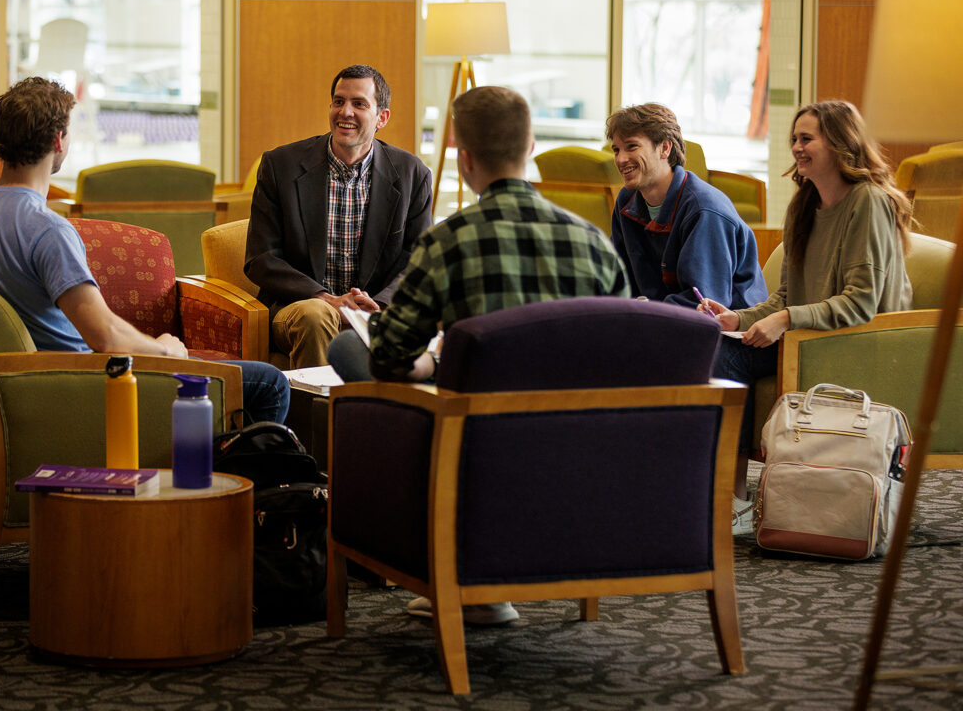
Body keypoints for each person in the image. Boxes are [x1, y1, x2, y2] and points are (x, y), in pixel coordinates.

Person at [328, 86, 629, 625]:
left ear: (463, 159)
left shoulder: (449, 241)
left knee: (349, 346)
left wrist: (436, 364)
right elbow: (619, 351)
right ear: (531, 144)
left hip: (473, 449)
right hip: (582, 449)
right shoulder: (592, 242)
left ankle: (466, 571)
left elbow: (391, 357)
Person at [0, 77, 289, 424]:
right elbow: (105, 337)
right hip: (81, 384)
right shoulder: (47, 230)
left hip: (17, 384)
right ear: (58, 140)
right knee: (271, 382)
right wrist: (166, 350)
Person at [699, 100, 913, 524]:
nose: (796, 147)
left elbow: (861, 303)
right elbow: (785, 296)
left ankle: (732, 496)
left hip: (860, 338)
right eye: (794, 139)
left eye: (806, 138)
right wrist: (736, 319)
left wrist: (787, 320)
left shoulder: (868, 202)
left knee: (727, 358)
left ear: (838, 143)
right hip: (810, 337)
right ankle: (729, 494)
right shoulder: (804, 205)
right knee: (713, 347)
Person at [244, 64, 434, 368]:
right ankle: (319, 415)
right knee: (316, 316)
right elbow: (260, 258)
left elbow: (419, 263)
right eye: (338, 101)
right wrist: (326, 298)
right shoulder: (281, 165)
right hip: (301, 308)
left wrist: (380, 305)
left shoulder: (413, 174)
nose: (345, 111)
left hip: (376, 312)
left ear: (381, 117)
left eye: (359, 104)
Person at [607, 103, 768, 312]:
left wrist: (641, 312)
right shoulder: (626, 201)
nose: (620, 159)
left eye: (632, 147)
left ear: (665, 148)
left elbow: (705, 304)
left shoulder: (704, 209)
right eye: (616, 150)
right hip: (658, 322)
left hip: (729, 333)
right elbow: (615, 280)